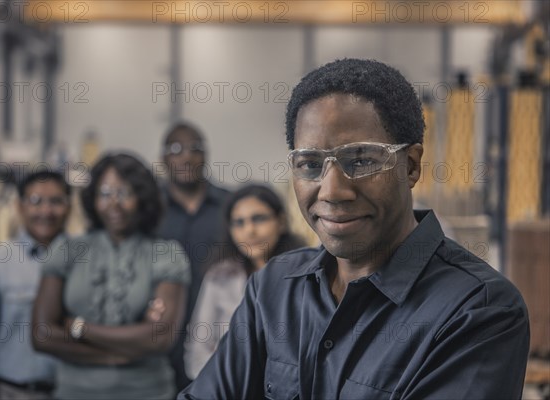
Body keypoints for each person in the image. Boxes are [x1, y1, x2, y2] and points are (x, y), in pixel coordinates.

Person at [178, 59, 530, 399]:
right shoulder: (273, 289)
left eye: (360, 160)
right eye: (310, 164)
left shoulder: (478, 311)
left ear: (410, 165)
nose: (332, 191)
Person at [32, 153, 190, 399]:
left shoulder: (166, 254)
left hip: (147, 392)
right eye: (104, 194)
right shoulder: (67, 250)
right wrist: (116, 353)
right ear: (92, 199)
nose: (114, 203)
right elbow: (42, 335)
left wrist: (77, 326)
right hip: (75, 393)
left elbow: (159, 337)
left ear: (142, 198)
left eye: (125, 193)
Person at [0, 171, 71, 400]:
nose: (46, 211)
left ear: (69, 207)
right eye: (36, 201)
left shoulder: (84, 261)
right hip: (13, 393)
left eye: (56, 201)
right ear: (19, 207)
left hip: (74, 391)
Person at [184, 184, 305, 378]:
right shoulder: (220, 275)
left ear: (281, 222)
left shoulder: (305, 273)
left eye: (259, 219)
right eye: (239, 223)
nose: (249, 231)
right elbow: (198, 349)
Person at [156, 122, 230, 390]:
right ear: (163, 158)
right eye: (176, 149)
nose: (186, 155)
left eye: (195, 148)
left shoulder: (228, 206)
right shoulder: (149, 209)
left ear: (206, 155)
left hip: (217, 337)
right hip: (158, 338)